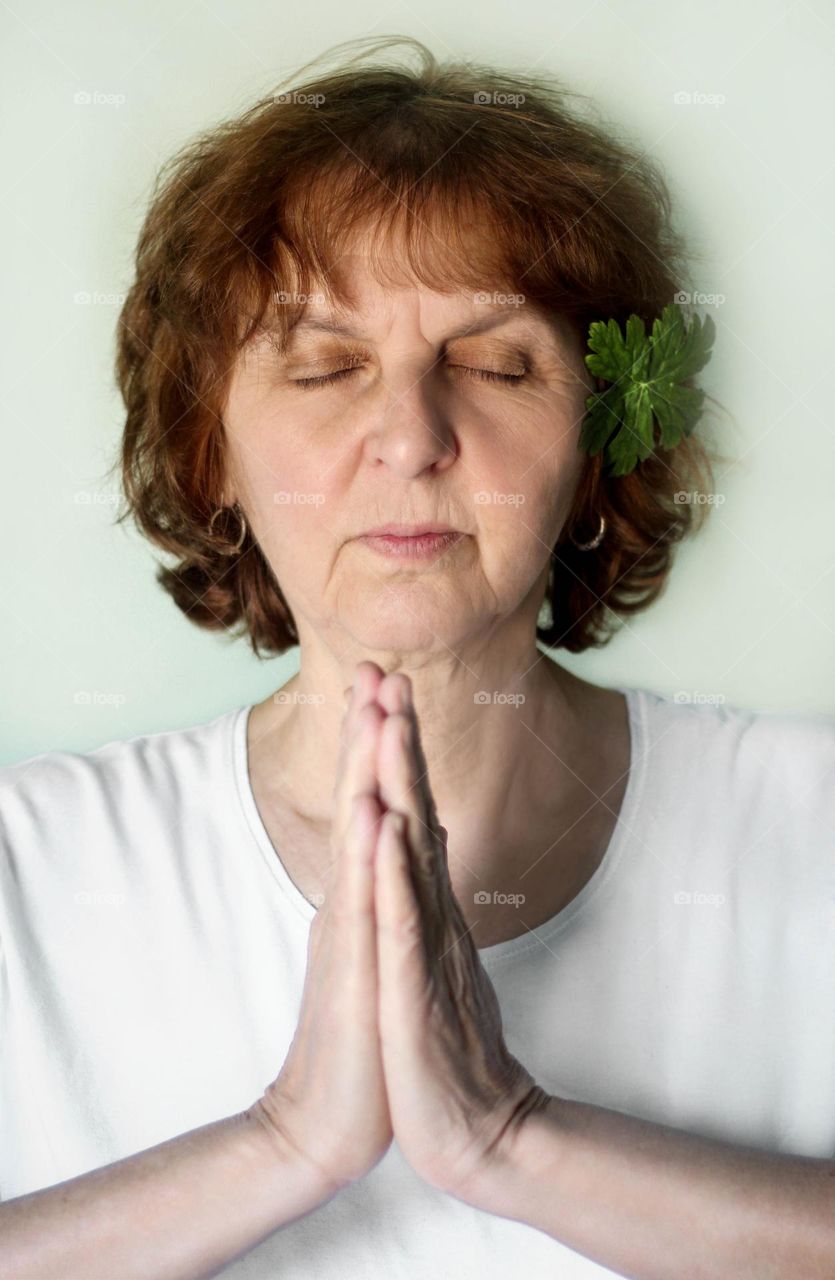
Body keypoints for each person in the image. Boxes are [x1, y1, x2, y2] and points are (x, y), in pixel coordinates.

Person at [2, 34, 835, 1280]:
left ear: (598, 449)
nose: (409, 434)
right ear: (208, 447)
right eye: (324, 366)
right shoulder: (27, 873)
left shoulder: (811, 824)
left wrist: (512, 1136)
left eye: (499, 363)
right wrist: (285, 1141)